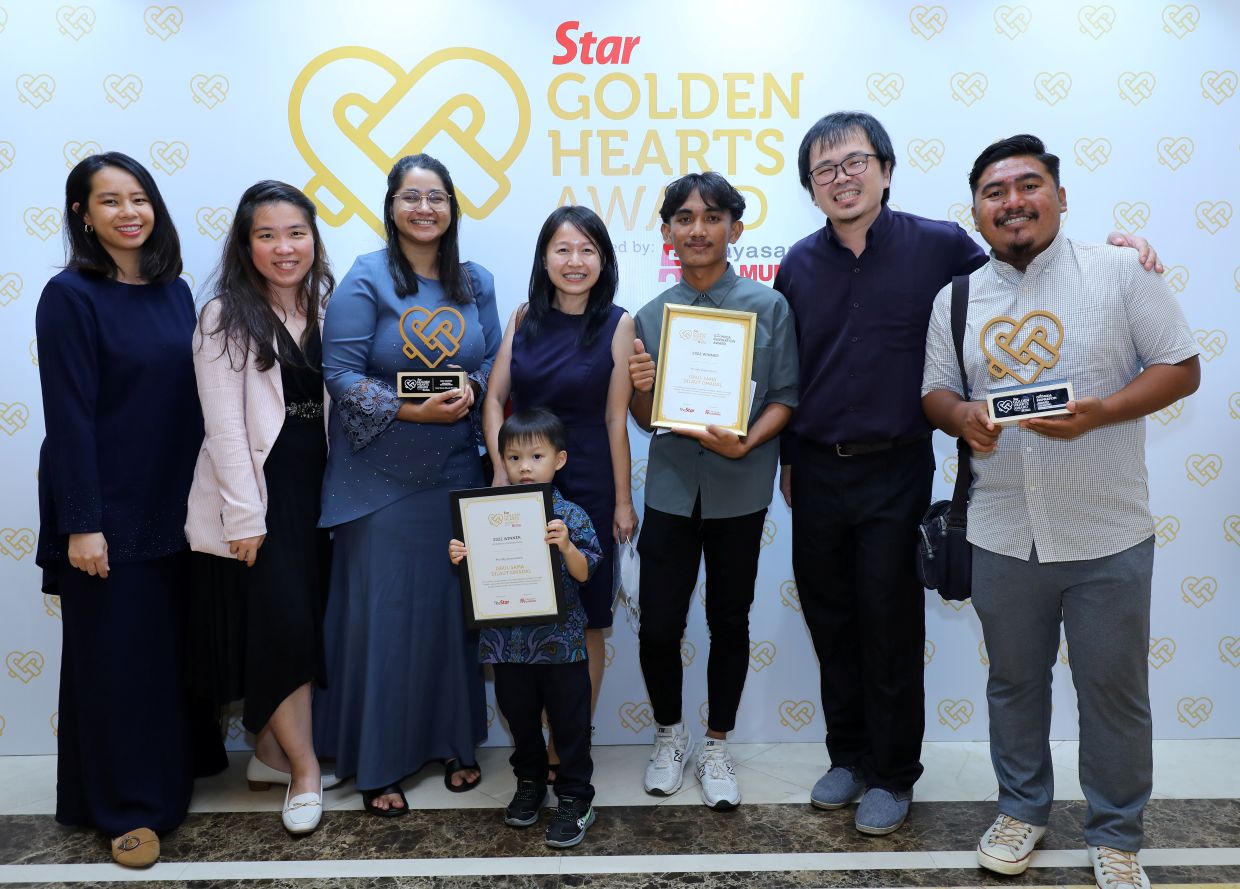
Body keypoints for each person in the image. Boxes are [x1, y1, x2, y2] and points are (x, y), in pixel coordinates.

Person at [772, 111, 1164, 835]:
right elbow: (790, 371)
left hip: (898, 466)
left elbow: (1027, 258)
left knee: (888, 623)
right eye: (824, 171)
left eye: (855, 162)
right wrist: (790, 459)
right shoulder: (796, 262)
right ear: (810, 188)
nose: (842, 178)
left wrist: (1127, 248)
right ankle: (848, 755)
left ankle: (892, 774)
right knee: (830, 618)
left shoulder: (939, 246)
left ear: (886, 170)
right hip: (815, 472)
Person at [922, 134, 1199, 888]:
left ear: (1060, 195)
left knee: (1112, 686)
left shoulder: (1120, 273)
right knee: (1013, 682)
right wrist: (963, 417)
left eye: (1028, 184)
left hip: (1106, 528)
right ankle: (1022, 809)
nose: (1012, 201)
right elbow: (936, 391)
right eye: (994, 191)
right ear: (976, 211)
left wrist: (1099, 411)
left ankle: (1116, 833)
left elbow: (1181, 368)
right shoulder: (955, 299)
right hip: (1003, 530)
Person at [35, 151, 220, 867]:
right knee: (115, 662)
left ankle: (162, 779)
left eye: (138, 197)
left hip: (175, 506)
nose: (128, 212)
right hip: (106, 513)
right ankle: (126, 809)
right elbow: (69, 417)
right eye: (108, 201)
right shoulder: (69, 296)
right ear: (82, 214)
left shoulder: (175, 292)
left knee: (163, 656)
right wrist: (83, 521)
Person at [312, 153, 501, 816]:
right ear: (391, 206)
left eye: (438, 197)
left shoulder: (476, 281)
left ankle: (452, 740)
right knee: (386, 622)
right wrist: (409, 407)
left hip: (455, 475)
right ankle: (381, 759)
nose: (425, 208)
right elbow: (339, 374)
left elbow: (492, 367)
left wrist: (468, 389)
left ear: (453, 207)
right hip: (378, 482)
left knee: (450, 621)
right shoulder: (366, 278)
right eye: (411, 196)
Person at [628, 172, 798, 811]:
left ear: (735, 227)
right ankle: (670, 735)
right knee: (658, 625)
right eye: (684, 218)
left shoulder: (768, 306)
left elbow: (785, 397)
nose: (697, 229)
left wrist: (748, 442)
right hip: (671, 490)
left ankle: (718, 745)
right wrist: (642, 386)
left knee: (730, 620)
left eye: (711, 216)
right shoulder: (650, 315)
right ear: (668, 231)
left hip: (740, 488)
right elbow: (647, 419)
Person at [185, 181, 335, 834]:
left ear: (314, 239)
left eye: (295, 233)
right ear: (246, 246)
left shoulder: (330, 305)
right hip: (262, 498)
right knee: (281, 629)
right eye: (266, 235)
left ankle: (271, 753)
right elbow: (223, 428)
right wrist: (245, 518)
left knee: (306, 625)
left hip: (322, 495)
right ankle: (304, 772)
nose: (283, 247)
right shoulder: (224, 315)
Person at [483, 205, 637, 756]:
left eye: (587, 250)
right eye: (563, 249)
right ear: (544, 258)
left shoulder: (619, 324)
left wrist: (622, 503)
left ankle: (565, 746)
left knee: (588, 623)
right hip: (521, 486)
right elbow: (495, 399)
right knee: (519, 613)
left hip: (590, 485)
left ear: (604, 259)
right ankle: (530, 742)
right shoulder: (524, 317)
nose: (575, 261)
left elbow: (616, 420)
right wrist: (503, 473)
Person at [449, 409, 603, 848]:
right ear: (501, 461)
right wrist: (462, 552)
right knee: (521, 721)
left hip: (562, 647)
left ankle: (575, 797)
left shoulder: (569, 514)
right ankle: (530, 784)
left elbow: (585, 572)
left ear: (560, 459)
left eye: (536, 456)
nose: (524, 467)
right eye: (514, 458)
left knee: (570, 726)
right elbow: (478, 576)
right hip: (506, 647)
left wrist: (567, 545)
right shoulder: (483, 513)